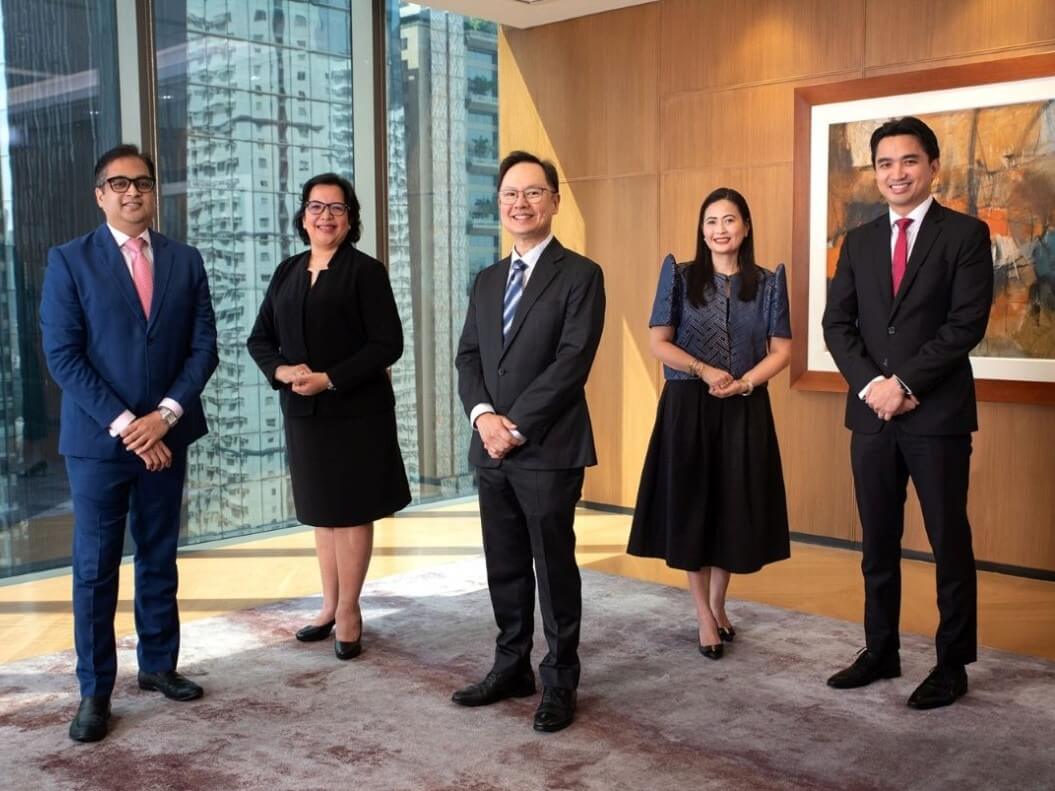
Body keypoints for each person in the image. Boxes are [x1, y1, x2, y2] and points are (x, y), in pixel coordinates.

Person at [40, 144, 219, 742]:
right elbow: (63, 355)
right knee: (94, 570)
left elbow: (203, 349)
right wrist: (128, 425)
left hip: (167, 435)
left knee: (159, 553)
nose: (132, 193)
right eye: (118, 184)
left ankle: (159, 666)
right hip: (99, 443)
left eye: (142, 183)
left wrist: (164, 417)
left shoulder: (186, 260)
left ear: (154, 192)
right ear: (100, 195)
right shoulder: (69, 261)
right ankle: (95, 691)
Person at [822, 116, 993, 709]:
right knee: (877, 540)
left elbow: (965, 324)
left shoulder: (966, 235)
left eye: (909, 161)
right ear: (876, 172)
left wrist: (907, 383)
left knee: (949, 539)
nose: (897, 173)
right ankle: (881, 649)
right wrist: (875, 385)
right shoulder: (859, 240)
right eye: (885, 163)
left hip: (936, 415)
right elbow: (836, 324)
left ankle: (952, 664)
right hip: (872, 416)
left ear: (933, 166)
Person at [453, 150, 605, 733]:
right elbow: (469, 357)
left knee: (553, 565)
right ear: (499, 203)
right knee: (505, 563)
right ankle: (510, 665)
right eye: (511, 194)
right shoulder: (488, 279)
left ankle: (561, 678)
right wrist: (485, 417)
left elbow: (572, 363)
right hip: (490, 446)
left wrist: (513, 427)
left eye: (533, 192)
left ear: (554, 201)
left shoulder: (581, 274)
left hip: (548, 448)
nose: (521, 203)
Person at [247, 173, 410, 662]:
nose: (325, 216)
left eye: (337, 208)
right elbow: (260, 338)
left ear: (350, 219)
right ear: (303, 216)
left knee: (351, 511)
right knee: (322, 512)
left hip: (356, 412)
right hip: (304, 411)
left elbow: (388, 344)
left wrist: (330, 378)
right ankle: (328, 605)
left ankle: (351, 612)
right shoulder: (287, 272)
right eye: (317, 207)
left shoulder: (366, 271)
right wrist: (281, 371)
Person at [627, 188, 792, 659]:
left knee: (732, 508)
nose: (720, 230)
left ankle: (719, 604)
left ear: (745, 228)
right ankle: (702, 614)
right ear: (702, 230)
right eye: (711, 221)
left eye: (729, 220)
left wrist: (743, 384)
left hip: (744, 407)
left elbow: (782, 350)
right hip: (687, 407)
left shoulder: (767, 282)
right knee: (694, 507)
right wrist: (703, 370)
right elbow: (659, 341)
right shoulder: (679, 277)